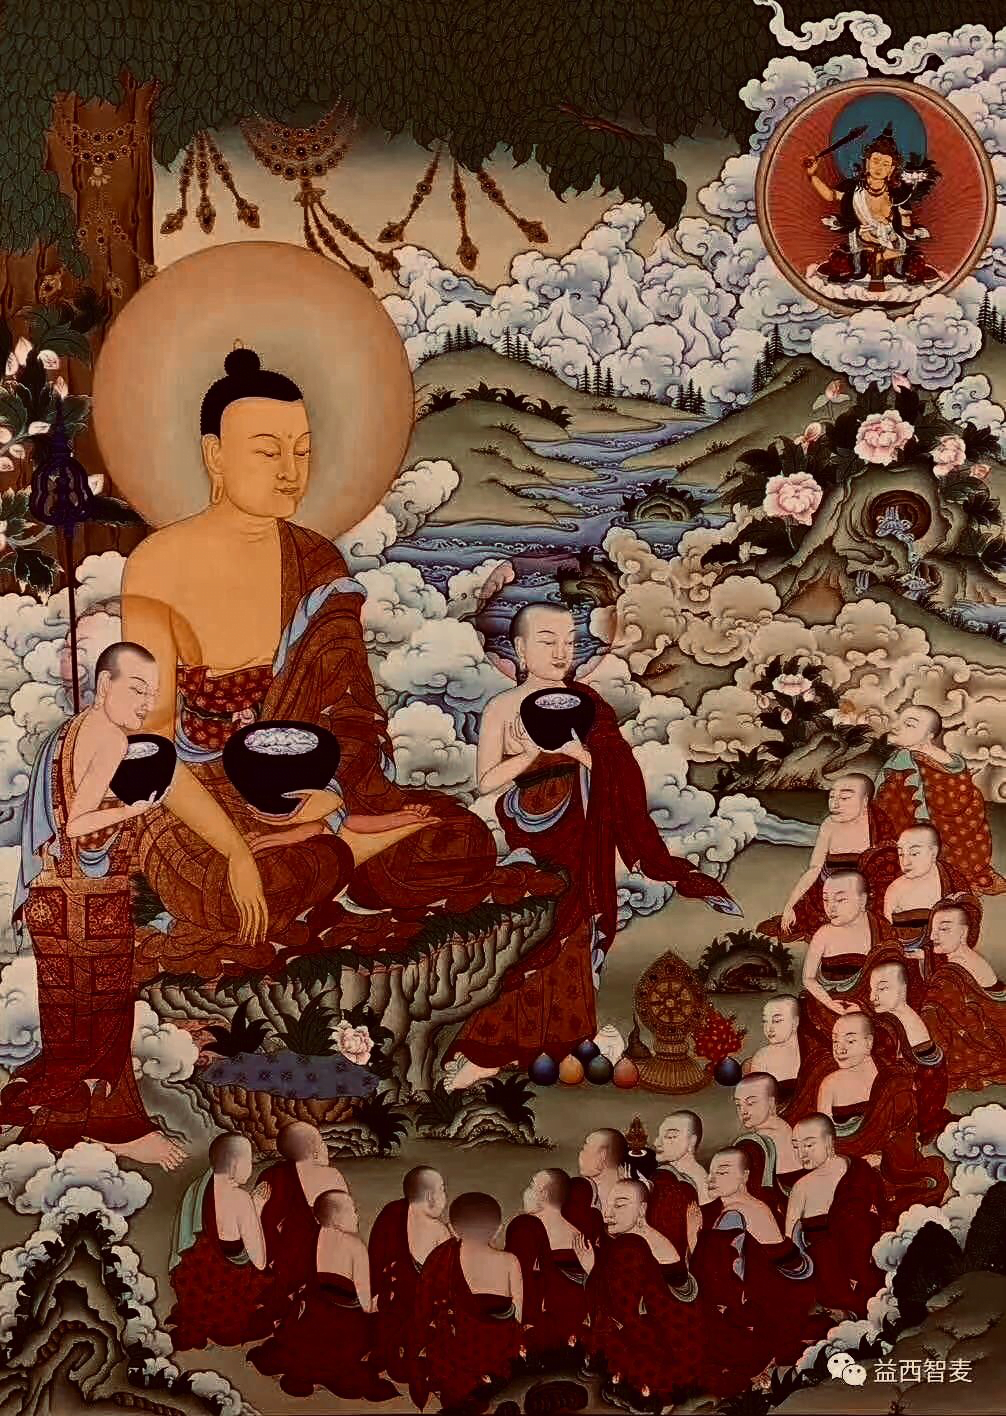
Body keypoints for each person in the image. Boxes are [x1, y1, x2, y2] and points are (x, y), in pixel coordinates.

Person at [119, 347, 559, 978]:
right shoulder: (158, 565)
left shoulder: (316, 561)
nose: (290, 472)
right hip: (199, 795)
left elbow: (351, 710)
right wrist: (237, 850)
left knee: (457, 839)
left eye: (302, 451)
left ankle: (335, 848)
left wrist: (327, 800)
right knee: (232, 895)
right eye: (268, 452)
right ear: (214, 455)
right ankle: (342, 854)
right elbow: (153, 743)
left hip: (314, 791)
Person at [444, 602, 740, 1090]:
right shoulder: (503, 707)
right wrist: (535, 754)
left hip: (583, 841)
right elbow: (487, 781)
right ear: (519, 648)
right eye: (547, 641)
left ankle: (562, 1042)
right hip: (532, 837)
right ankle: (490, 1050)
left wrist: (583, 756)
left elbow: (617, 774)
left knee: (574, 937)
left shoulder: (589, 707)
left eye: (570, 641)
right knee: (529, 937)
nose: (562, 651)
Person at [1, 642, 199, 1165]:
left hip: (51, 898)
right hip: (89, 904)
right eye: (136, 689)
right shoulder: (110, 736)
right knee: (104, 1021)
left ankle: (70, 1122)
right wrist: (133, 809)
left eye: (152, 694)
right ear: (104, 684)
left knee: (70, 1022)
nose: (145, 703)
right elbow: (77, 824)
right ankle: (111, 1125)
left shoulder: (69, 731)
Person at [248, 1189, 396, 1402]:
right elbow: (365, 1304)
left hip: (311, 1315)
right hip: (343, 1323)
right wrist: (382, 1300)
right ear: (337, 1218)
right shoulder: (355, 1246)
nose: (357, 1215)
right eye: (352, 1210)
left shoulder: (313, 1238)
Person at [691, 1149, 817, 1397]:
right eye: (711, 1172)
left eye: (723, 1171)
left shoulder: (738, 1213)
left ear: (745, 1176)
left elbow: (712, 1276)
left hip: (755, 1313)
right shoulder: (750, 1207)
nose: (712, 1178)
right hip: (770, 1305)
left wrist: (693, 1237)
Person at [574, 1179, 704, 1411]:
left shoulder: (633, 1245)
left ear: (643, 1209)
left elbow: (621, 1309)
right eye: (607, 1205)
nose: (608, 1213)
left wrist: (591, 1270)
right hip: (673, 1341)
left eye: (619, 1205)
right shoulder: (635, 1240)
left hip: (666, 1345)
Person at [816, 1012, 947, 1223]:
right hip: (846, 1160)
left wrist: (883, 1157)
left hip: (893, 1163)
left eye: (850, 1041)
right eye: (835, 1041)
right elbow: (822, 1136)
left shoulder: (892, 1079)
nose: (840, 1049)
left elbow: (906, 1128)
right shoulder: (830, 1084)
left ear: (869, 1043)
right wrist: (854, 1161)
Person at [408, 1192, 524, 1412]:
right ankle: (486, 1381)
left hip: (458, 1351)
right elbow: (518, 1313)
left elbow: (428, 1306)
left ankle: (467, 1385)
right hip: (497, 1350)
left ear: (452, 1229)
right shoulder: (510, 1261)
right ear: (498, 1229)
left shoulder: (444, 1260)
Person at [875, 706, 1004, 896]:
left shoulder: (918, 763)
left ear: (929, 736)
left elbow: (957, 800)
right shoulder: (905, 757)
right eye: (898, 721)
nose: (896, 726)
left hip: (944, 831)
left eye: (909, 724)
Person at [759, 775, 898, 943]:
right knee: (797, 922)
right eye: (832, 796)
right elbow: (814, 869)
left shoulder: (880, 825)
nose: (835, 804)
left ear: (865, 801)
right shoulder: (829, 825)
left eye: (845, 797)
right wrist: (790, 905)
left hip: (868, 896)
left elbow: (890, 871)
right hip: (827, 893)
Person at [166, 1132, 272, 1350]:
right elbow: (259, 1260)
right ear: (235, 1165)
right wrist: (257, 1207)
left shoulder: (198, 1187)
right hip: (223, 1282)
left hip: (192, 1277)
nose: (251, 1166)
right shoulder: (240, 1198)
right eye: (249, 1161)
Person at [803, 127, 940, 288]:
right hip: (863, 243)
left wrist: (906, 226)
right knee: (842, 260)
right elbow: (831, 195)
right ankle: (872, 261)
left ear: (891, 169)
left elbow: (905, 228)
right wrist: (812, 175)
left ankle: (885, 261)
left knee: (913, 262)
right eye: (875, 161)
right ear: (867, 162)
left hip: (892, 245)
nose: (879, 167)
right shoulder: (854, 189)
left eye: (885, 163)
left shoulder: (897, 196)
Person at [247, 1121, 347, 1339]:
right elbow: (344, 1217)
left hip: (281, 1255)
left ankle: (287, 1306)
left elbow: (262, 1219)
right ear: (315, 1151)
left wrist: (256, 1206)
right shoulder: (331, 1175)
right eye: (322, 1142)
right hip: (318, 1253)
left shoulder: (271, 1175)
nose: (326, 1146)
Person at [785, 1114, 884, 1319]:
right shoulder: (801, 1188)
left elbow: (878, 1219)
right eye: (796, 1146)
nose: (801, 1153)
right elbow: (791, 1242)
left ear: (829, 1141)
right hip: (825, 1278)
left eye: (808, 1145)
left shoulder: (859, 1172)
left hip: (866, 1269)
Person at [797, 872, 892, 1071]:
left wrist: (864, 1007)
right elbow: (808, 979)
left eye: (840, 900)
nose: (831, 907)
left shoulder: (881, 929)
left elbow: (891, 977)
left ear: (862, 900)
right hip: (827, 1003)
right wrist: (832, 1004)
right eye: (826, 900)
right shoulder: (824, 934)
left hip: (870, 1005)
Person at [369, 1166, 451, 1382]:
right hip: (419, 1306)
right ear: (431, 1197)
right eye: (443, 1190)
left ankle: (389, 1350)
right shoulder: (439, 1230)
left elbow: (375, 1256)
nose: (445, 1196)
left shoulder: (391, 1212)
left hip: (389, 1301)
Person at [920, 895, 1006, 1092]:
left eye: (944, 929)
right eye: (932, 929)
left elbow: (934, 1016)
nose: (933, 937)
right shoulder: (968, 959)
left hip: (982, 1047)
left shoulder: (952, 971)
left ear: (963, 932)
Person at [505, 1169, 590, 1361]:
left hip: (534, 1324)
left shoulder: (525, 1231)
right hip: (570, 1326)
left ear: (542, 1194)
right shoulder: (578, 1235)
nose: (526, 1192)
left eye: (531, 1186)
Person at [883, 824, 978, 952]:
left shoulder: (952, 882)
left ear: (933, 853)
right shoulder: (894, 890)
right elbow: (887, 937)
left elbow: (968, 930)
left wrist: (928, 955)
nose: (906, 862)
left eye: (914, 853)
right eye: (901, 854)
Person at [733, 1073, 803, 1218]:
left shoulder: (758, 1141)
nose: (743, 1111)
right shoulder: (783, 1125)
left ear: (771, 1103)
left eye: (751, 1103)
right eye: (738, 1105)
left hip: (786, 1202)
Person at [743, 997, 801, 1109]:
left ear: (795, 1022)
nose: (769, 1028)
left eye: (777, 1021)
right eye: (765, 1021)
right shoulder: (762, 1057)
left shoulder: (809, 1053)